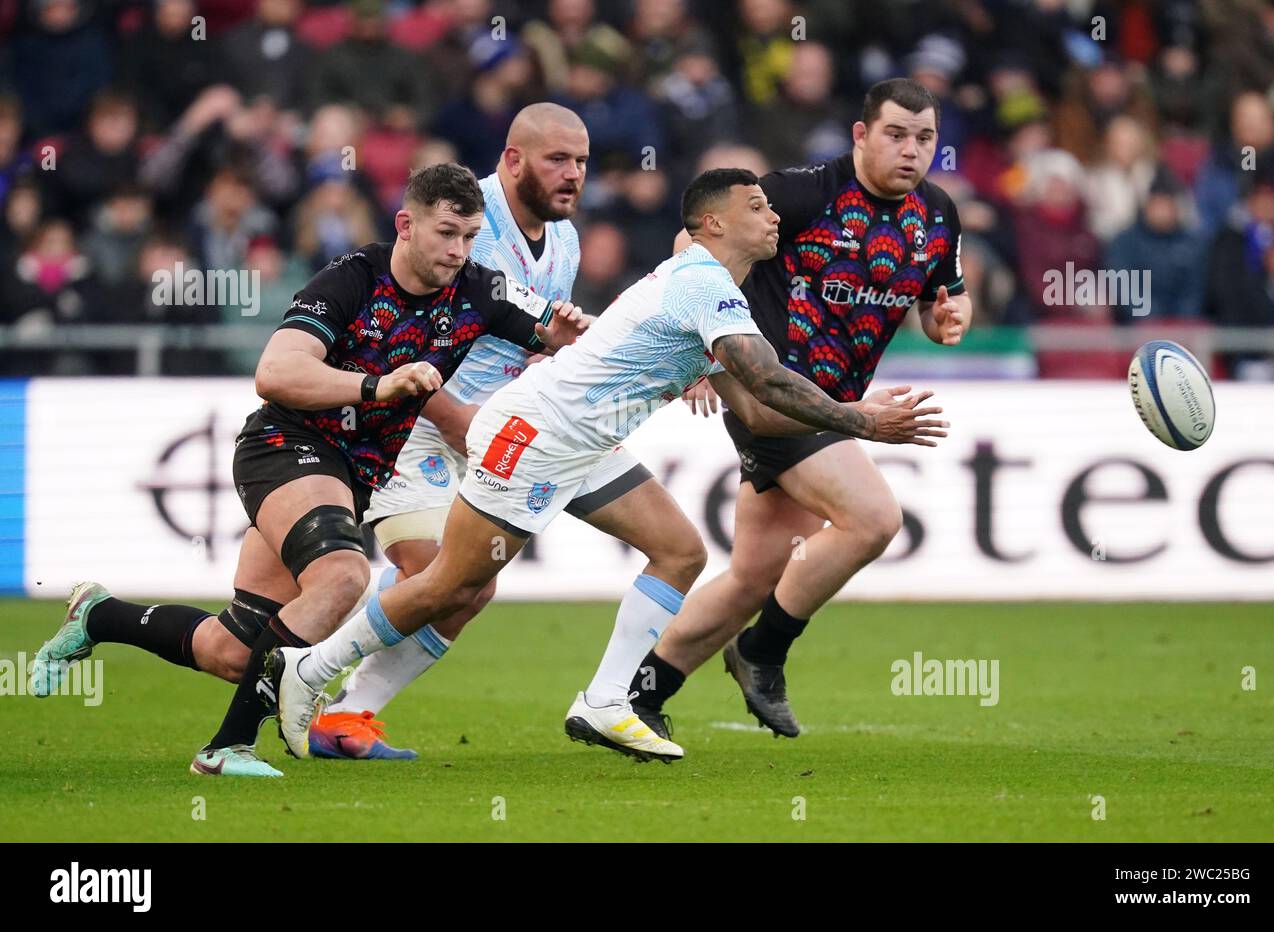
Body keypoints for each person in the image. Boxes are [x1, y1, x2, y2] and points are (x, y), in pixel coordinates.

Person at [271, 167, 948, 765]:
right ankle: (312, 667)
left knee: (680, 552)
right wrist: (864, 420)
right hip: (533, 435)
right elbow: (770, 382)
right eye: (757, 205)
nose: (774, 215)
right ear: (713, 222)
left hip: (584, 445)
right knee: (452, 585)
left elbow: (762, 411)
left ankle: (604, 700)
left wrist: (855, 408)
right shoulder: (702, 283)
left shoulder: (722, 294)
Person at [28, 163, 587, 777]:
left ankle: (99, 615)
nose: (457, 250)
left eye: (468, 236)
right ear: (406, 224)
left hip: (355, 472)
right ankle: (226, 750)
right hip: (285, 444)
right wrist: (376, 386)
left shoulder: (481, 289)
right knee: (343, 576)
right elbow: (275, 372)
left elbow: (555, 334)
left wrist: (569, 337)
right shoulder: (350, 279)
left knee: (235, 652)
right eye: (445, 233)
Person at [633, 78, 971, 740]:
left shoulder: (938, 215)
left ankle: (634, 693)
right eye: (895, 135)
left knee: (754, 577)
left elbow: (942, 304)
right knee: (874, 518)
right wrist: (702, 347)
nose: (910, 151)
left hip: (830, 408)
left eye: (924, 138)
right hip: (779, 395)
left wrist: (948, 316)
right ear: (861, 134)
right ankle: (763, 654)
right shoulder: (801, 192)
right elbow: (690, 249)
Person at [309, 103, 587, 760]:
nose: (573, 173)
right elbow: (413, 329)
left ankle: (346, 714)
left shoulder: (565, 238)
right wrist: (453, 416)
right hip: (421, 421)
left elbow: (537, 339)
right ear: (514, 158)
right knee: (432, 569)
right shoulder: (469, 221)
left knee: (473, 584)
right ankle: (294, 669)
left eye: (581, 160)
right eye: (558, 159)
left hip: (492, 431)